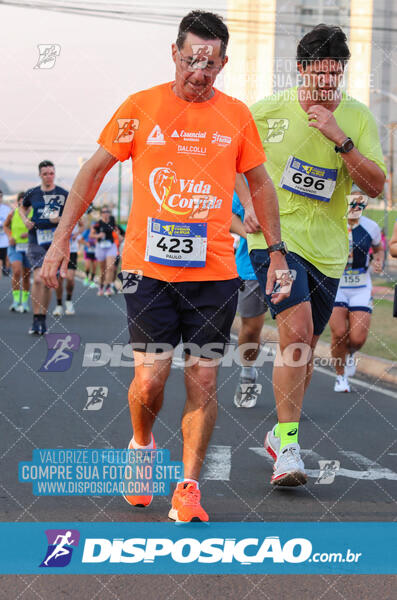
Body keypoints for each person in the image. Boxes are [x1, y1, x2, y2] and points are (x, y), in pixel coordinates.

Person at [41, 10, 289, 522]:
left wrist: (276, 250)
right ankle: (141, 445)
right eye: (192, 59)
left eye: (211, 63)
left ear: (223, 63)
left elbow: (260, 183)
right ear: (174, 54)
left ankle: (189, 487)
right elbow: (92, 172)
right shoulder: (141, 106)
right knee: (150, 381)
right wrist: (61, 239)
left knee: (202, 380)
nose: (199, 72)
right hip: (148, 271)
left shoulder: (236, 115)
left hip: (215, 273)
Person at [243, 24, 386, 486]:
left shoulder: (358, 118)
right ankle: (288, 450)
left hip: (328, 251)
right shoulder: (266, 112)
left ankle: (279, 434)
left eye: (336, 74)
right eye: (321, 73)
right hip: (275, 242)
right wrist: (244, 202)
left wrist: (340, 139)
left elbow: (377, 185)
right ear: (301, 69)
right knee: (299, 332)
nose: (329, 83)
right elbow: (227, 159)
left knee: (301, 351)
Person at [329, 191, 384, 392]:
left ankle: (350, 353)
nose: (355, 208)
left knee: (357, 338)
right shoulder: (334, 224)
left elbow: (378, 249)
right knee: (339, 332)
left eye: (360, 205)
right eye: (352, 203)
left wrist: (378, 260)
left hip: (361, 286)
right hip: (337, 287)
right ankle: (340, 377)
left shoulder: (371, 227)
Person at [20, 160, 68, 335]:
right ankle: (35, 317)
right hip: (36, 240)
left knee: (48, 281)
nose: (49, 176)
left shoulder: (63, 194)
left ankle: (43, 318)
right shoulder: (32, 193)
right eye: (45, 173)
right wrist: (26, 220)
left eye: (51, 173)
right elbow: (22, 208)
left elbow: (74, 216)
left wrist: (60, 219)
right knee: (39, 278)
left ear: (55, 174)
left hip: (54, 242)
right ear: (40, 175)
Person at [231, 188, 268, 408]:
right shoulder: (248, 179)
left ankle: (291, 396)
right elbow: (229, 216)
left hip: (294, 262)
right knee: (251, 328)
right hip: (253, 264)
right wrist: (253, 237)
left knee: (295, 331)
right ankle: (248, 371)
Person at [3, 192, 32, 312]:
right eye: (21, 200)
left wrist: (29, 234)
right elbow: (5, 226)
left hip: (29, 248)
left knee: (26, 275)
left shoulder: (34, 213)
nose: (23, 202)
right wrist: (10, 236)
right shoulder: (13, 213)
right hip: (15, 247)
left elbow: (39, 228)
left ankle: (24, 302)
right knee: (17, 271)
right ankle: (16, 301)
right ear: (19, 201)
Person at [53, 221, 83, 316]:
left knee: (70, 278)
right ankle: (59, 305)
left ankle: (69, 301)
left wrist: (76, 234)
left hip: (72, 250)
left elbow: (82, 225)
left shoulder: (74, 209)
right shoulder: (55, 209)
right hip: (58, 250)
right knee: (59, 279)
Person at [90, 207, 118, 296]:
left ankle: (108, 287)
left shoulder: (112, 220)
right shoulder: (98, 224)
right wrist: (98, 235)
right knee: (102, 269)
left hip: (111, 246)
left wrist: (118, 236)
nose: (106, 213)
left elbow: (116, 229)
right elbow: (91, 235)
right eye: (104, 212)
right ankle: (101, 286)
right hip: (100, 247)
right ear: (101, 214)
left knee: (110, 267)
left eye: (107, 211)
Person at [80, 222, 97, 287]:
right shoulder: (87, 231)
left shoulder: (98, 233)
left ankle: (92, 281)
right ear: (91, 226)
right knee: (87, 266)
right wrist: (86, 243)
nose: (94, 228)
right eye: (93, 227)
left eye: (95, 227)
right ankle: (87, 278)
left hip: (95, 252)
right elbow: (80, 240)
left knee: (94, 268)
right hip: (88, 251)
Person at [0, 190, 12, 278]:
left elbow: (11, 225)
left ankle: (6, 268)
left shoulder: (7, 209)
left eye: (0, 197)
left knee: (6, 262)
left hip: (5, 241)